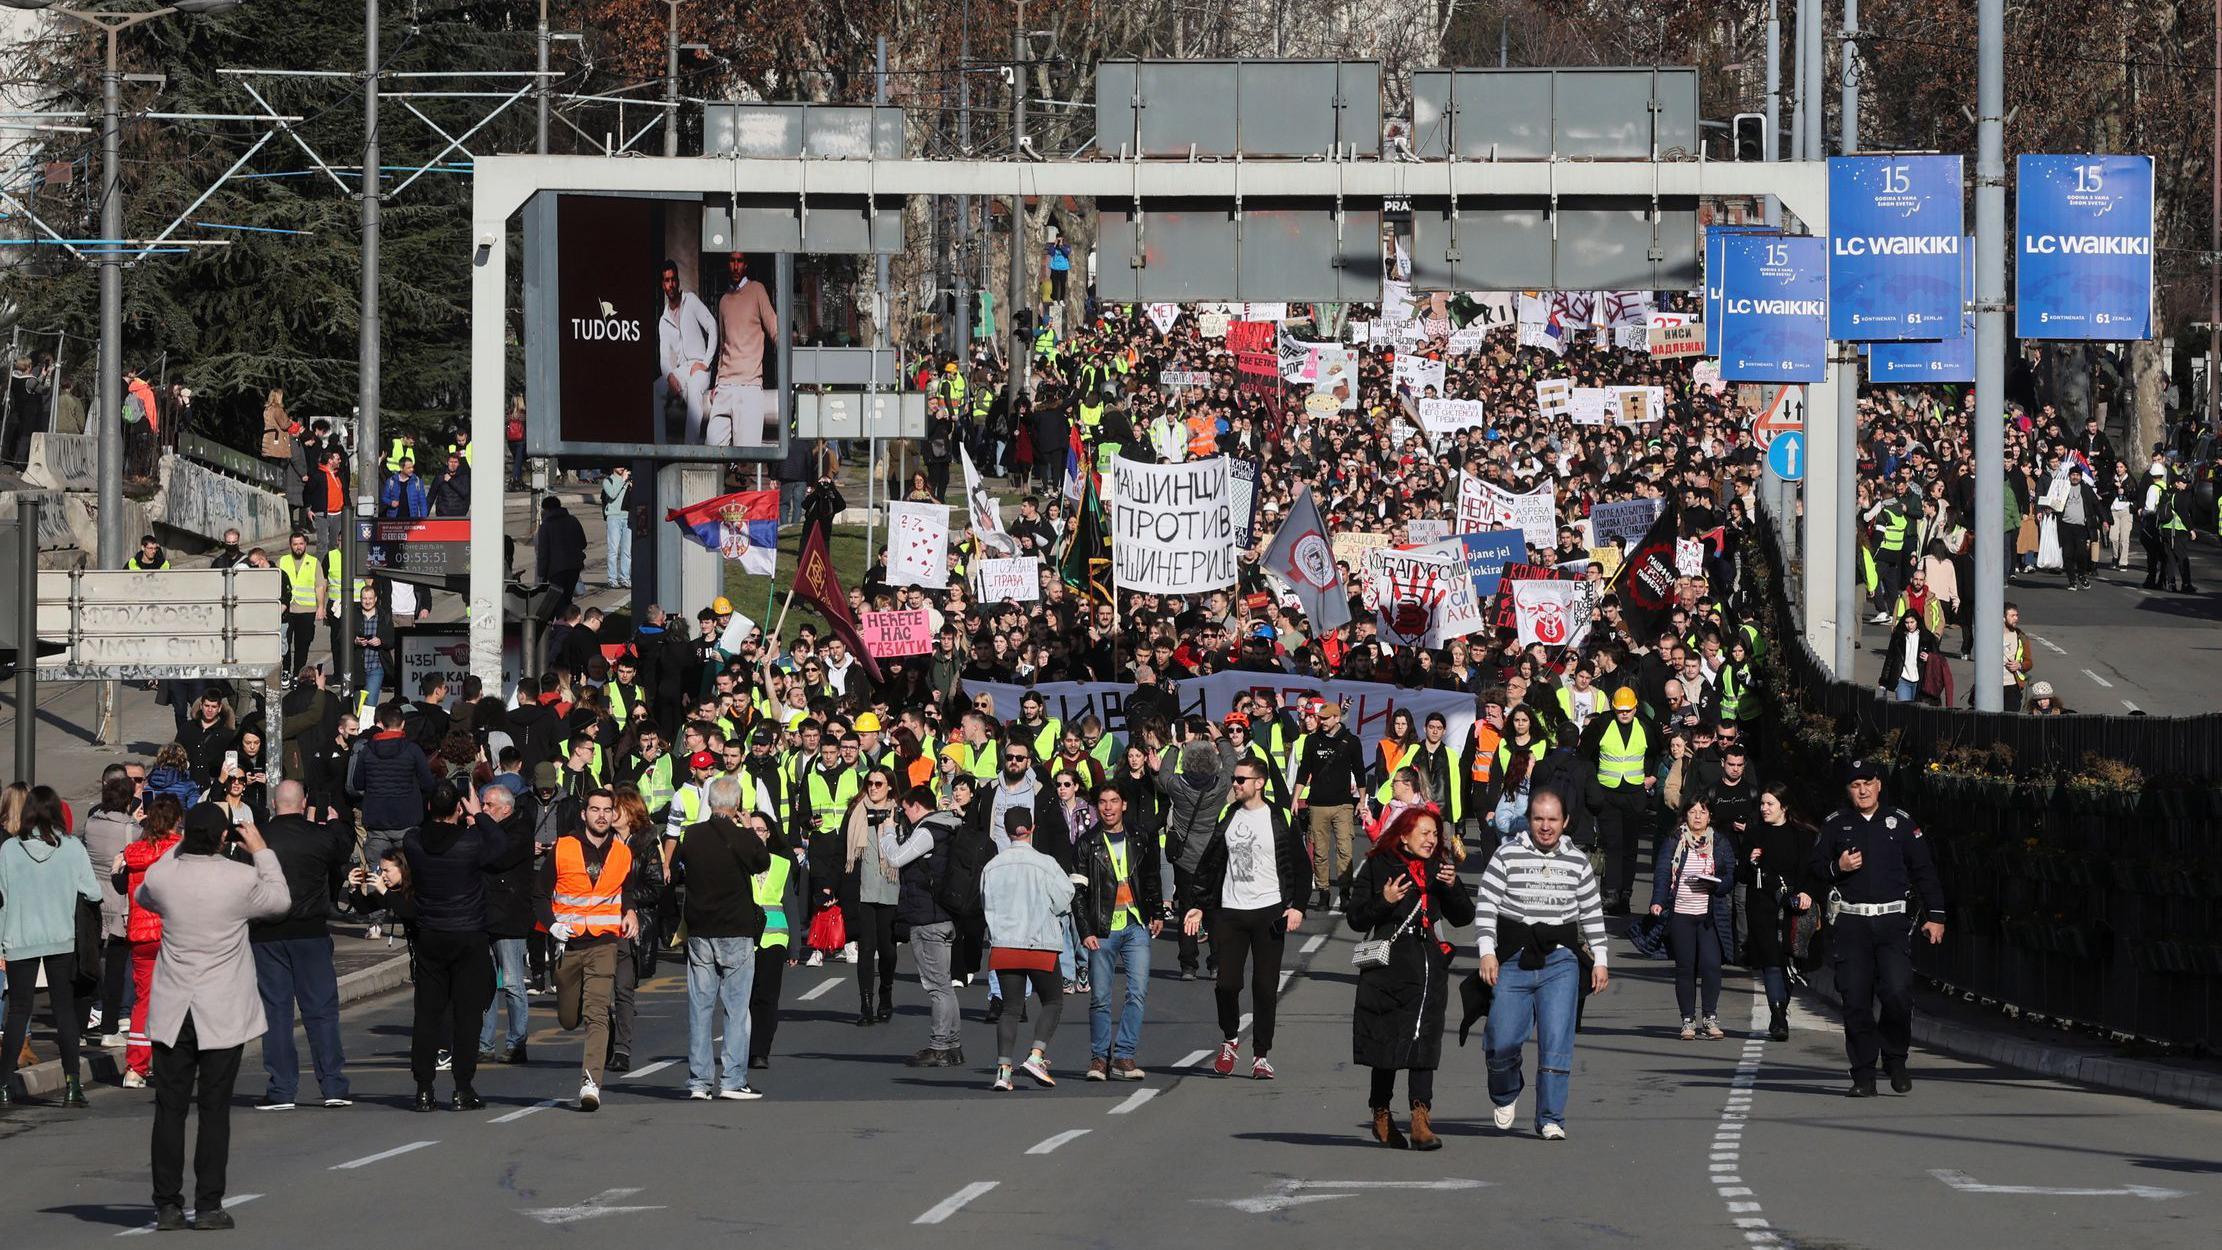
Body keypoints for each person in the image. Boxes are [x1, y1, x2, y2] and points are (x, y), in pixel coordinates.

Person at [134, 804, 292, 1232]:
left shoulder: (165, 877)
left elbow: (143, 891)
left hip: (173, 1009)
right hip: (221, 1009)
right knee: (214, 1109)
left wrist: (179, 846)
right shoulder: (240, 879)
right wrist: (261, 849)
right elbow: (280, 900)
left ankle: (166, 1204)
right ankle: (207, 1205)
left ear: (187, 834)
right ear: (225, 838)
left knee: (169, 1109)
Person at [1476, 789, 1610, 1140]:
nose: (1545, 827)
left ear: (1565, 822)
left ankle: (1551, 1116)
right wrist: (1487, 951)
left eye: (1552, 819)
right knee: (1501, 1039)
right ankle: (1506, 1089)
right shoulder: (1507, 854)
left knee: (1556, 1039)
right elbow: (1487, 904)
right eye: (1538, 819)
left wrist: (1600, 959)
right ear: (1528, 820)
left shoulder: (1577, 861)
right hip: (1515, 958)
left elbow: (1591, 913)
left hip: (1560, 960)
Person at [1808, 758, 1946, 1098]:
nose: (1863, 790)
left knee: (1897, 993)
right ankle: (1863, 1074)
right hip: (1852, 922)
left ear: (1879, 785)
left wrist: (1937, 915)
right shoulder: (1836, 824)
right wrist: (1836, 866)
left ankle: (1895, 1059)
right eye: (1856, 785)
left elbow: (1924, 870)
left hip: (1891, 922)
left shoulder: (1899, 823)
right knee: (1855, 999)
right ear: (1848, 790)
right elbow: (1814, 868)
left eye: (1868, 783)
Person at [1346, 806, 1473, 1150]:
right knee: (1388, 1042)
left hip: (1429, 965)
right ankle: (1382, 1112)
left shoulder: (1438, 868)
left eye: (1435, 834)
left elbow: (1463, 917)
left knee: (1425, 1041)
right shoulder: (1378, 864)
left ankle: (1421, 1119)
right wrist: (1383, 901)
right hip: (1390, 966)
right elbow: (1356, 918)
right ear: (1404, 834)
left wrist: (1453, 885)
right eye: (1425, 834)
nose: (1432, 841)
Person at [1184, 755, 1308, 1080]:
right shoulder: (1228, 814)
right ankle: (1230, 1039)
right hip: (1231, 911)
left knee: (1265, 987)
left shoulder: (1279, 816)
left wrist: (1297, 906)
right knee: (1226, 984)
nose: (1235, 784)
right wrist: (1198, 903)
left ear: (1259, 783)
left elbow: (1301, 865)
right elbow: (1211, 862)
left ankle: (1261, 1056)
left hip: (1270, 911)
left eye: (1241, 779)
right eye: (1234, 779)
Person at [402, 781, 512, 1112]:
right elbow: (500, 845)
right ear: (459, 810)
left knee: (427, 1013)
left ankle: (424, 1088)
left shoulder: (414, 842)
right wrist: (479, 815)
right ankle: (462, 1087)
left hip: (431, 933)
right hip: (467, 935)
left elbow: (419, 830)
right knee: (467, 1015)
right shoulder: (470, 843)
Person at [249, 781, 352, 1110]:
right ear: (304, 801)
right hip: (310, 931)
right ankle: (333, 1084)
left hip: (267, 933)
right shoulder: (318, 836)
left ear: (274, 803)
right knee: (320, 1011)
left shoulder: (260, 837)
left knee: (275, 1012)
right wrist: (333, 820)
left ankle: (281, 1088)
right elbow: (343, 848)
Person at [0, 787, 103, 1107]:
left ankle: (3, 1084)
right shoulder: (72, 847)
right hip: (61, 937)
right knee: (64, 1011)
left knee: (18, 1011)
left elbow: (2, 896)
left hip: (19, 937)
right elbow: (94, 892)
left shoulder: (9, 850)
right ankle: (73, 1085)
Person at [674, 774, 772, 1100]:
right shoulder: (742, 836)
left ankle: (698, 1082)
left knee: (700, 1009)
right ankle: (732, 1080)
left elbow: (680, 865)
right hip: (736, 930)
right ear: (737, 805)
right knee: (736, 1009)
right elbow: (763, 861)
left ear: (710, 801)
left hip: (701, 929)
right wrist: (747, 829)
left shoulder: (692, 835)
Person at [545, 788, 640, 1111]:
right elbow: (538, 895)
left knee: (597, 1013)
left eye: (607, 810)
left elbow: (625, 889)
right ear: (584, 814)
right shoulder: (563, 848)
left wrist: (630, 911)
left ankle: (591, 1083)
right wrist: (552, 925)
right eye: (595, 809)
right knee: (569, 1017)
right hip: (567, 944)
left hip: (604, 942)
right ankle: (575, 1002)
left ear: (614, 814)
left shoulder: (622, 852)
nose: (601, 815)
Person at [1074, 783, 1162, 1081]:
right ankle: (1099, 1058)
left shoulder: (1139, 837)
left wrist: (1157, 913)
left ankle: (1124, 1056)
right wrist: (1085, 930)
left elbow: (1151, 877)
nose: (1108, 807)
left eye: (1114, 801)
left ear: (1124, 805)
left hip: (1136, 925)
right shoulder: (1087, 842)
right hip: (1102, 929)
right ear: (1096, 807)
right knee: (1100, 996)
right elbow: (1077, 892)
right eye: (1102, 802)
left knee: (1137, 992)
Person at [981, 808, 1073, 1091]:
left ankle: (1003, 1071)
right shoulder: (1045, 863)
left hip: (1006, 943)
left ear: (1007, 831)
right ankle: (1036, 1055)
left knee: (1009, 1008)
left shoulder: (992, 866)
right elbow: (1063, 898)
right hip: (1039, 941)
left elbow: (985, 903)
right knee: (1053, 1001)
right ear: (1032, 827)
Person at [884, 785, 964, 1068]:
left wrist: (886, 832)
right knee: (945, 985)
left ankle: (940, 1046)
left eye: (905, 809)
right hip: (945, 915)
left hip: (928, 917)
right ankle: (952, 1045)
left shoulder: (928, 830)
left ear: (917, 806)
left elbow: (896, 858)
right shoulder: (952, 826)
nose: (903, 815)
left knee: (937, 986)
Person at [1650, 796, 1736, 1041]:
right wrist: (1657, 900)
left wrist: (1716, 886)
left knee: (1711, 966)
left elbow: (1729, 873)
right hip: (1681, 913)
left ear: (1710, 816)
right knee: (1685, 968)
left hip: (1709, 915)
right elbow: (1663, 871)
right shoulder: (1675, 840)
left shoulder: (1719, 842)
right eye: (1693, 811)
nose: (1697, 816)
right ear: (1685, 815)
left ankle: (1710, 1017)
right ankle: (1688, 1020)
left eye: (1703, 811)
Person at [116, 797, 186, 1089]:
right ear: (174, 822)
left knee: (143, 1002)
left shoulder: (134, 853)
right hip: (172, 934)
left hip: (141, 935)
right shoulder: (179, 851)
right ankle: (174, 1064)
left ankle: (135, 1067)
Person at [1744, 782, 1817, 1042]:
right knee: (1771, 960)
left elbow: (1811, 870)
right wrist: (1750, 862)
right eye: (1762, 804)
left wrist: (1806, 892)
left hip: (1793, 904)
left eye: (1770, 804)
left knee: (1787, 958)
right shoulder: (1754, 834)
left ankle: (1781, 1008)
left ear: (1783, 807)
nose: (1764, 809)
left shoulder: (1803, 835)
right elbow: (1742, 874)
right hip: (1761, 903)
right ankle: (1777, 1015)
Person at [835, 767, 903, 1025]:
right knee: (866, 949)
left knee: (887, 950)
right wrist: (833, 887)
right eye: (870, 783)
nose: (873, 788)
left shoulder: (900, 813)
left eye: (879, 783)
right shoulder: (855, 812)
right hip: (862, 890)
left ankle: (885, 993)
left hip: (890, 888)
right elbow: (842, 850)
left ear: (889, 787)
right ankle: (866, 1005)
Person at [477, 785, 537, 1066]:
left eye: (489, 805)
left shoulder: (519, 831)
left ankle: (517, 1042)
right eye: (483, 805)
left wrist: (483, 823)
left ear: (505, 808)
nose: (484, 810)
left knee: (512, 982)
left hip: (509, 916)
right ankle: (484, 1043)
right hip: (484, 914)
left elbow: (498, 857)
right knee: (485, 983)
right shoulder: (485, 829)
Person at [1296, 699, 1366, 909]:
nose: (1322, 722)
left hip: (1343, 804)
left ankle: (1345, 893)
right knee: (1320, 852)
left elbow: (1360, 771)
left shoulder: (1351, 741)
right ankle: (1323, 892)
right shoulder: (1312, 741)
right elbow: (1303, 771)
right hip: (1317, 804)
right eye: (1320, 718)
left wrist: (1362, 800)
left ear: (1337, 718)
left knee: (1345, 849)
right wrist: (1294, 798)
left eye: (1326, 718)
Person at [744, 810, 795, 1071]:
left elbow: (790, 904)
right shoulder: (740, 862)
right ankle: (743, 1046)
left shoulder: (781, 863)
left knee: (767, 997)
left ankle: (760, 1050)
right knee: (745, 997)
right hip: (744, 938)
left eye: (761, 829)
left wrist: (795, 945)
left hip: (774, 938)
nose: (756, 834)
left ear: (768, 834)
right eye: (750, 829)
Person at [601, 465, 634, 589]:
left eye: (623, 466)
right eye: (618, 466)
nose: (621, 468)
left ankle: (625, 578)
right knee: (613, 550)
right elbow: (613, 494)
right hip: (613, 517)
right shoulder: (608, 481)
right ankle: (612, 579)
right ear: (613, 467)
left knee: (627, 551)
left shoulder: (629, 480)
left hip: (628, 517)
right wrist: (622, 480)